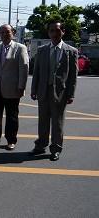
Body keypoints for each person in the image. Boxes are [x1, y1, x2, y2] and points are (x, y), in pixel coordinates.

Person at [30, 21, 78, 161]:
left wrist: (71, 94)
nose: (54, 33)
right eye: (51, 30)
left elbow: (73, 76)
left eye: (57, 30)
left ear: (63, 31)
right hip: (43, 91)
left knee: (57, 123)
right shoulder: (42, 50)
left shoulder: (71, 51)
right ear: (48, 33)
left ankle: (56, 149)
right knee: (42, 121)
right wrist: (34, 90)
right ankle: (40, 146)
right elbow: (36, 72)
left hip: (60, 92)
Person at [0, 24, 29, 150]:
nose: (4, 35)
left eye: (7, 32)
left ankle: (11, 140)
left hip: (12, 87)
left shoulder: (20, 48)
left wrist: (21, 86)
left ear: (13, 33)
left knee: (12, 115)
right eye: (1, 32)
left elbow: (24, 68)